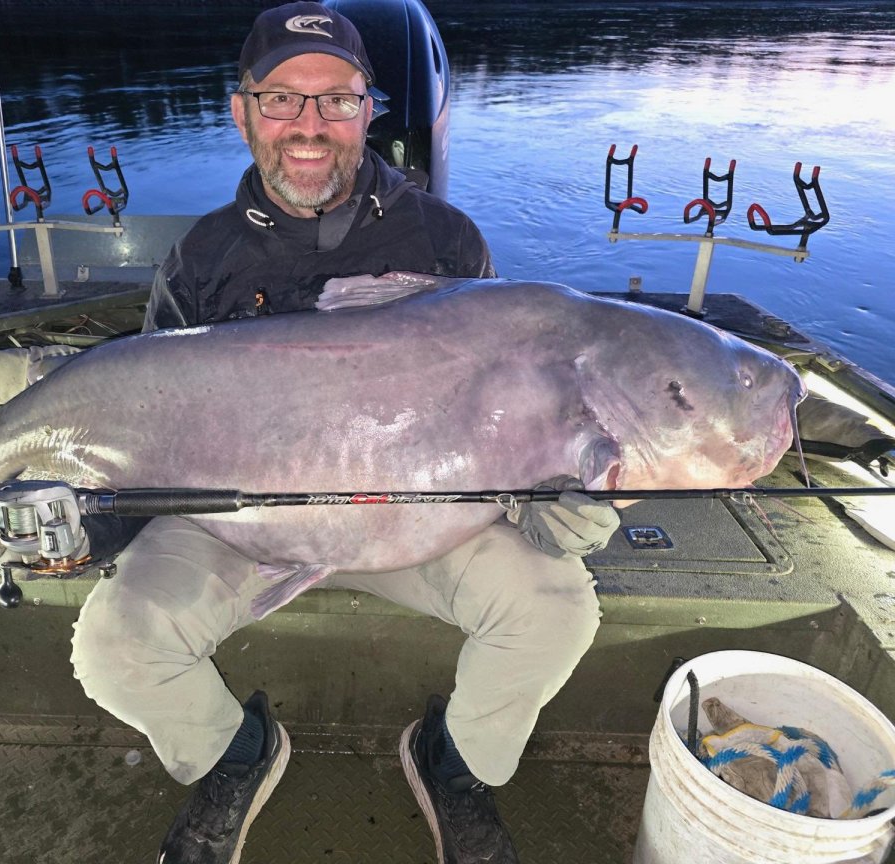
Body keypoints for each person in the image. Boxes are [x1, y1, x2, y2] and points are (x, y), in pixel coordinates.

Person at [69, 4, 619, 863]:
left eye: (337, 101)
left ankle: (455, 764)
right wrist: (87, 524)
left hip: (424, 518)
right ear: (241, 109)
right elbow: (147, 435)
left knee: (555, 605)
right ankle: (235, 755)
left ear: (371, 110)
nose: (309, 128)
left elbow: (514, 416)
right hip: (235, 525)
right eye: (283, 100)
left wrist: (551, 499)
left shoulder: (445, 241)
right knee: (114, 644)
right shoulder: (200, 260)